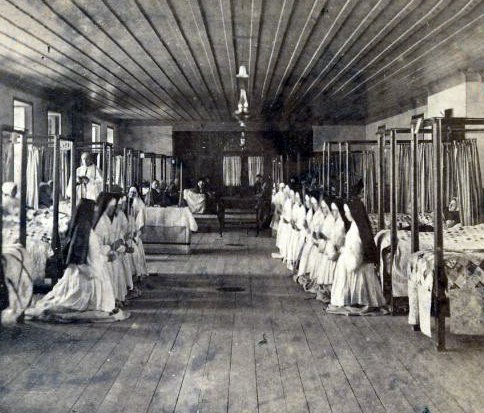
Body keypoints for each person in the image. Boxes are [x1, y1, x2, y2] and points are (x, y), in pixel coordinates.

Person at [26, 199, 122, 321]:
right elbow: (93, 260)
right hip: (87, 275)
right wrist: (108, 257)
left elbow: (89, 256)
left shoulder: (81, 230)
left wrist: (105, 254)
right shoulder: (89, 234)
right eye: (94, 213)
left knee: (63, 298)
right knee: (73, 304)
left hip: (78, 271)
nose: (96, 217)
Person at [328, 199, 386, 314]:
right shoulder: (355, 226)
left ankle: (357, 302)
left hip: (358, 264)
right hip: (353, 260)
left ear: (354, 212)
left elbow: (357, 253)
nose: (345, 214)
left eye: (347, 212)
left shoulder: (357, 229)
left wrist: (343, 251)